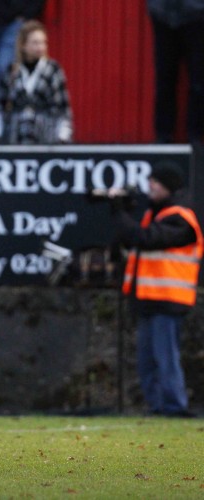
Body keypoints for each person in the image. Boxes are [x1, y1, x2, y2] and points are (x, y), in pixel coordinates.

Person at [113, 161, 201, 417]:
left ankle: (175, 406)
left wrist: (119, 212)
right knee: (146, 361)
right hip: (149, 299)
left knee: (166, 358)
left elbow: (147, 240)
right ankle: (158, 406)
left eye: (157, 182)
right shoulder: (155, 216)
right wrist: (124, 212)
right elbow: (131, 240)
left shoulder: (181, 220)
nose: (150, 185)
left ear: (170, 188)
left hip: (169, 299)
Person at [0, 20, 73, 145]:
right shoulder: (12, 71)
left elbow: (63, 109)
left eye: (43, 42)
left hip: (46, 139)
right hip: (15, 138)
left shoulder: (53, 70)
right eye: (35, 43)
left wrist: (63, 137)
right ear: (23, 45)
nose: (41, 47)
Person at [146, 0, 204, 144]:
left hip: (197, 14)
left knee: (198, 82)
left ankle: (195, 138)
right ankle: (163, 137)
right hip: (162, 13)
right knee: (164, 80)